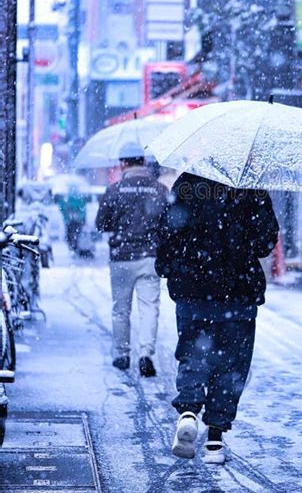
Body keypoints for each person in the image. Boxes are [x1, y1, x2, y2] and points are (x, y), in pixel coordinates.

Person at [155, 172, 279, 464]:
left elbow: (167, 231)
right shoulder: (250, 187)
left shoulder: (188, 183)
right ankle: (215, 438)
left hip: (193, 290)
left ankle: (188, 410)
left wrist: (169, 265)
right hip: (238, 292)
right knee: (231, 364)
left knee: (194, 353)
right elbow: (265, 241)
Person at [96, 142, 168, 376]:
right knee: (149, 308)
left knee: (120, 309)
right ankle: (146, 353)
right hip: (150, 256)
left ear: (122, 163)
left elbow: (101, 224)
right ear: (144, 162)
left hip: (121, 258)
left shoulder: (113, 190)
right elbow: (169, 224)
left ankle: (122, 354)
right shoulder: (159, 190)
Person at [56, 185, 88, 253]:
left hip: (70, 220)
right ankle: (75, 247)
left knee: (70, 234)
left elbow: (62, 208)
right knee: (77, 234)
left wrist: (67, 214)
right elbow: (83, 210)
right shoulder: (80, 199)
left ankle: (72, 247)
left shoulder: (67, 199)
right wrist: (83, 218)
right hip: (78, 220)